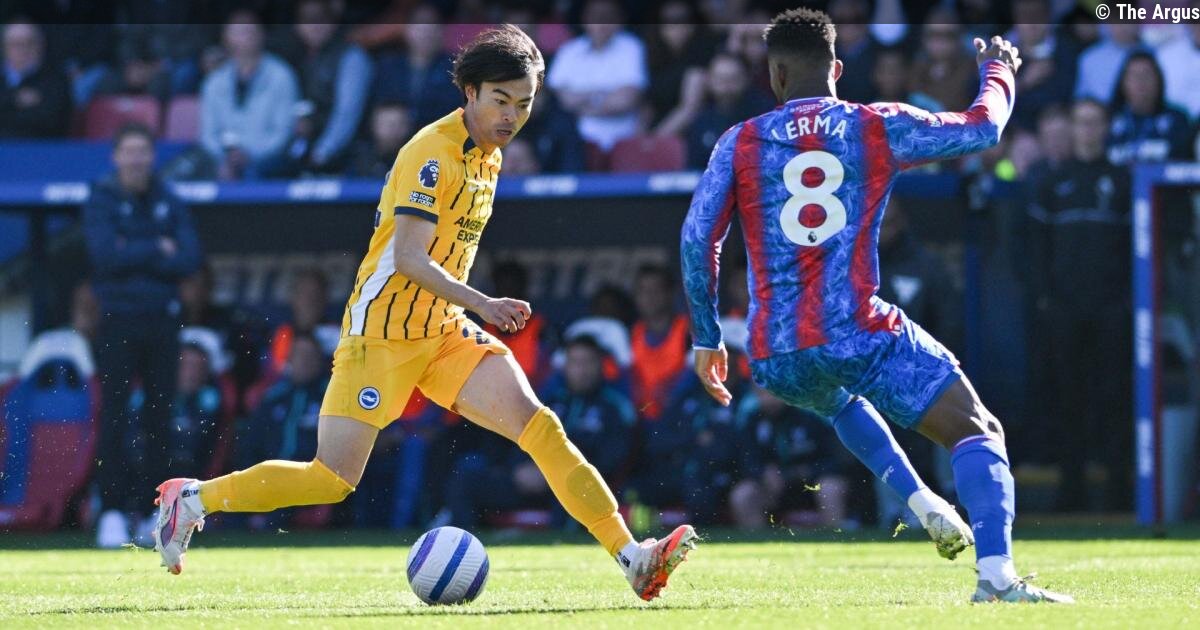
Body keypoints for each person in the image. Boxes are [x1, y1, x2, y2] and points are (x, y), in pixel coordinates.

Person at [150, 25, 694, 602]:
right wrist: (483, 303)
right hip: (380, 334)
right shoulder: (430, 153)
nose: (512, 116)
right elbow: (409, 259)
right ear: (470, 92)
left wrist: (465, 310)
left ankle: (632, 557)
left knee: (541, 427)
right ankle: (193, 500)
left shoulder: (490, 156)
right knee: (331, 479)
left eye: (524, 103)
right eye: (501, 100)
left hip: (443, 330)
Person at [680, 8, 1072, 603]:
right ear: (836, 69)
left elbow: (697, 237)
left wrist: (707, 337)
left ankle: (921, 502)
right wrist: (999, 70)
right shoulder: (874, 125)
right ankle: (997, 578)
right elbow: (982, 129)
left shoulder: (739, 140)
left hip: (775, 351)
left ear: (775, 75)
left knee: (838, 401)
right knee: (978, 430)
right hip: (855, 329)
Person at [83, 123, 203, 548]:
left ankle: (156, 510)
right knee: (114, 415)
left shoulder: (168, 197)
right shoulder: (101, 197)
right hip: (118, 320)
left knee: (159, 416)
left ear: (153, 157)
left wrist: (131, 247)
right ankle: (112, 510)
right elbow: (103, 256)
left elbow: (189, 258)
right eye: (129, 151)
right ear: (116, 157)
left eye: (143, 152)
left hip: (162, 321)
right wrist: (156, 247)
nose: (136, 160)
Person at [1027, 99, 1132, 511]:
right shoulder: (1053, 183)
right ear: (1071, 128)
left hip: (1111, 309)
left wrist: (1123, 300)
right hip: (1064, 310)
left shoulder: (1121, 181)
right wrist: (1046, 298)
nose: (1088, 130)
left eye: (1095, 122)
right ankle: (1070, 492)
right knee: (1068, 398)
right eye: (1081, 122)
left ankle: (1120, 491)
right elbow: (1035, 249)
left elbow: (1133, 247)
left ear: (1106, 128)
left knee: (1115, 397)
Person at [199, 11, 299, 180]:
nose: (244, 37)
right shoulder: (214, 82)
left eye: (249, 30)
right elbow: (208, 134)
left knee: (260, 171)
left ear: (262, 35)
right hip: (222, 159)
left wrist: (249, 154)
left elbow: (283, 133)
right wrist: (225, 157)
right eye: (237, 31)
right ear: (225, 37)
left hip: (267, 159)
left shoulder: (281, 75)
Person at [0, 20, 71, 138]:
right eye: (16, 44)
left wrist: (5, 108)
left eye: (30, 43)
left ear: (41, 45)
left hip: (40, 146)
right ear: (4, 48)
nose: (23, 49)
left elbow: (52, 120)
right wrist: (14, 98)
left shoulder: (56, 79)